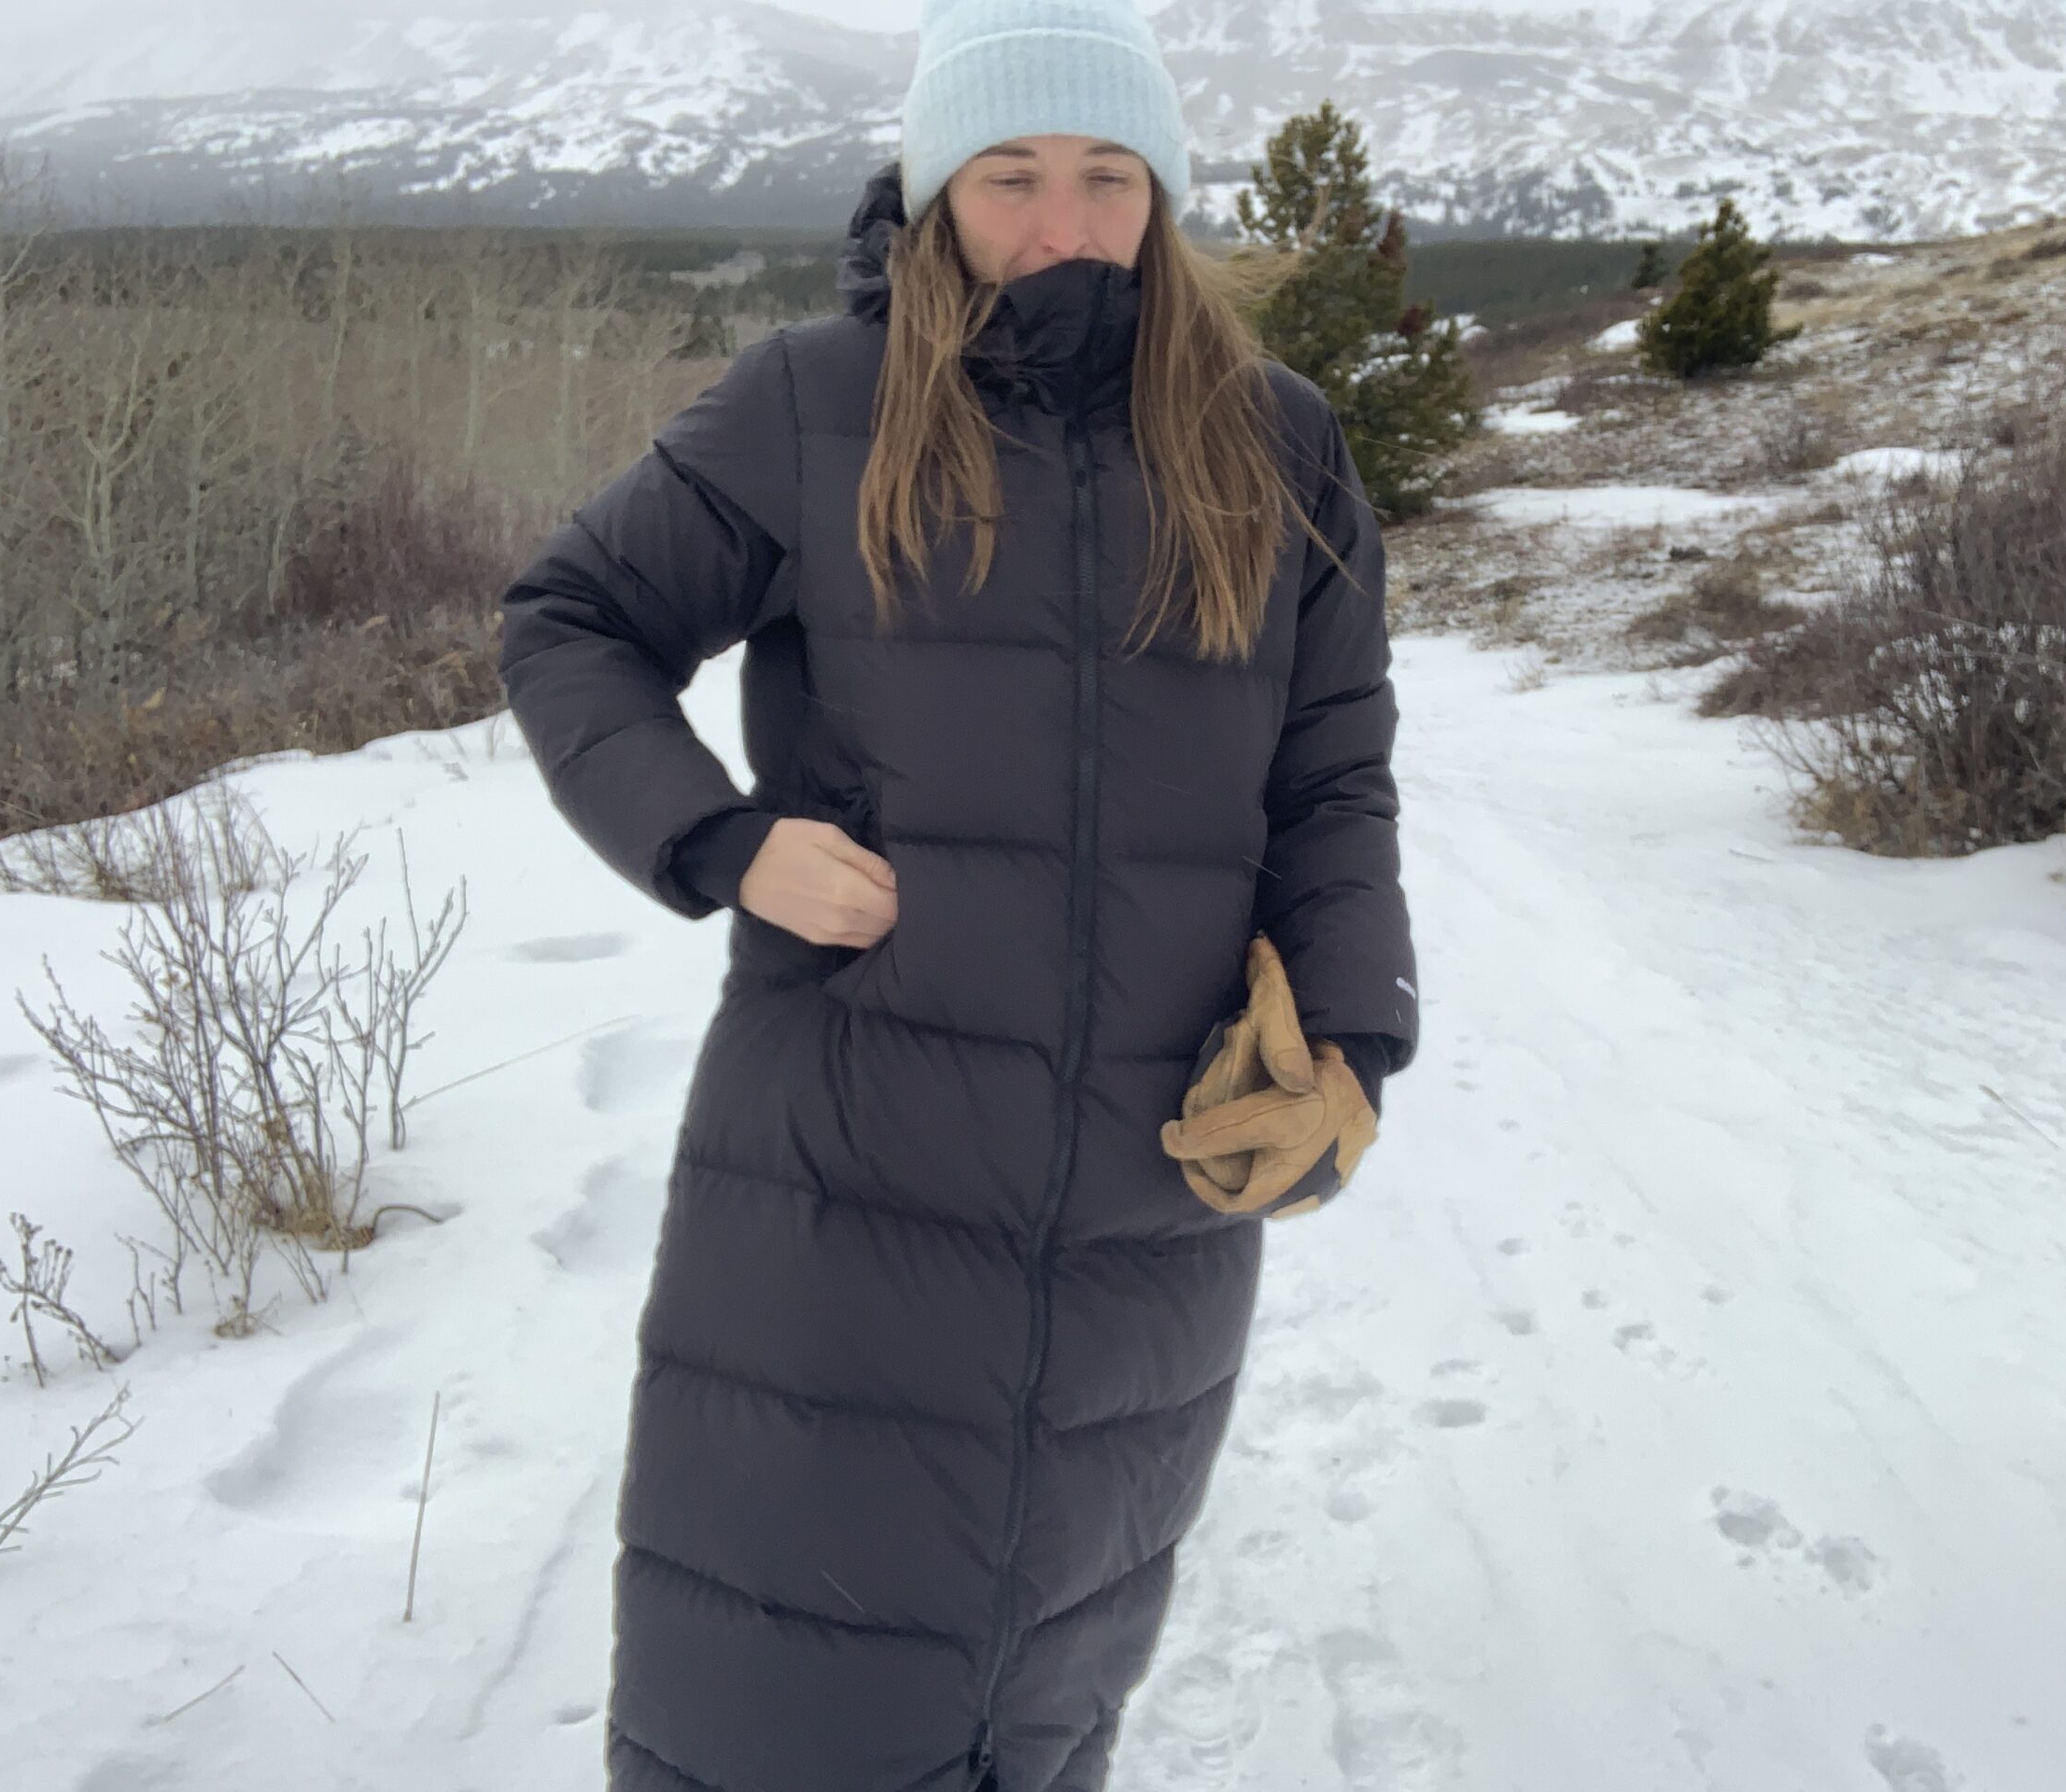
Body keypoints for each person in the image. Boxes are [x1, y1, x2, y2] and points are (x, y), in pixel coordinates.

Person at [496, 0, 1418, 1785]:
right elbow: (572, 620)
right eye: (1012, 178)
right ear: (934, 191)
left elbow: (1333, 770)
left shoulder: (1276, 443)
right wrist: (719, 838)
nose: (1063, 224)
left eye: (1106, 178)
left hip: (1157, 1192)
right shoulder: (810, 408)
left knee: (1050, 1680)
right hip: (851, 1174)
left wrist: (1352, 1039)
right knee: (781, 1683)